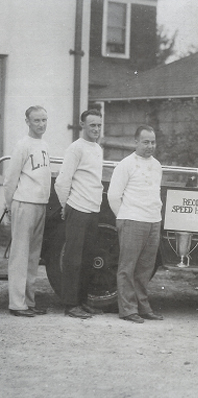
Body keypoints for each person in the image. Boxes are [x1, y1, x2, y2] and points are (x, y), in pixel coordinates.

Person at [107, 125, 164, 323]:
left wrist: (155, 217)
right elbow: (113, 195)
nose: (150, 146)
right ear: (136, 142)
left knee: (145, 269)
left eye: (153, 142)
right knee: (127, 267)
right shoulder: (125, 164)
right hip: (132, 220)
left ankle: (143, 307)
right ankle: (128, 309)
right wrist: (124, 217)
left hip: (153, 221)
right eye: (146, 142)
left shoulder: (157, 165)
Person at [54, 109, 104, 319]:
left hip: (93, 210)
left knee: (87, 259)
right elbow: (62, 181)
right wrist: (67, 206)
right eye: (92, 125)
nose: (96, 129)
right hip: (78, 209)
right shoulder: (75, 148)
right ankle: (70, 304)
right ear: (82, 125)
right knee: (73, 259)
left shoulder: (98, 149)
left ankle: (82, 302)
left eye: (99, 125)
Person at [4, 106, 51, 317]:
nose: (41, 124)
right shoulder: (22, 145)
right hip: (23, 203)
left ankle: (29, 301)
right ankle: (16, 303)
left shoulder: (44, 144)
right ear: (27, 122)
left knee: (33, 257)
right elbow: (10, 180)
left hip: (40, 204)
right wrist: (10, 206)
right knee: (20, 256)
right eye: (36, 120)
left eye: (44, 120)